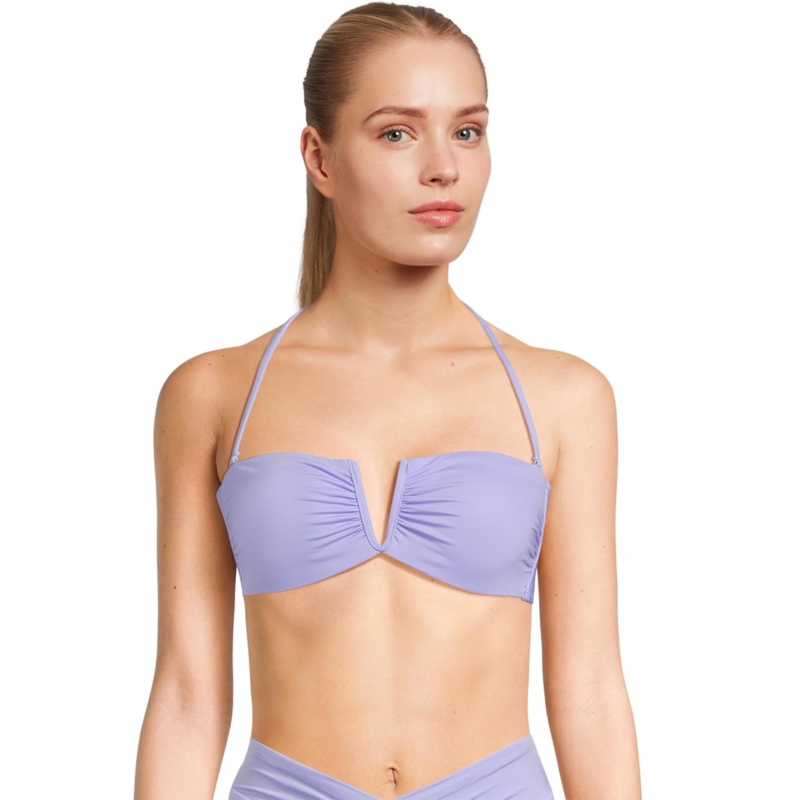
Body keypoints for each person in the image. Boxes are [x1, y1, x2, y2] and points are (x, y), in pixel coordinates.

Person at [134, 4, 641, 799]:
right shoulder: (213, 394)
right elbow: (187, 697)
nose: (443, 168)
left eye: (467, 131)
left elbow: (592, 694)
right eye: (398, 133)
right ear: (320, 158)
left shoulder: (564, 398)